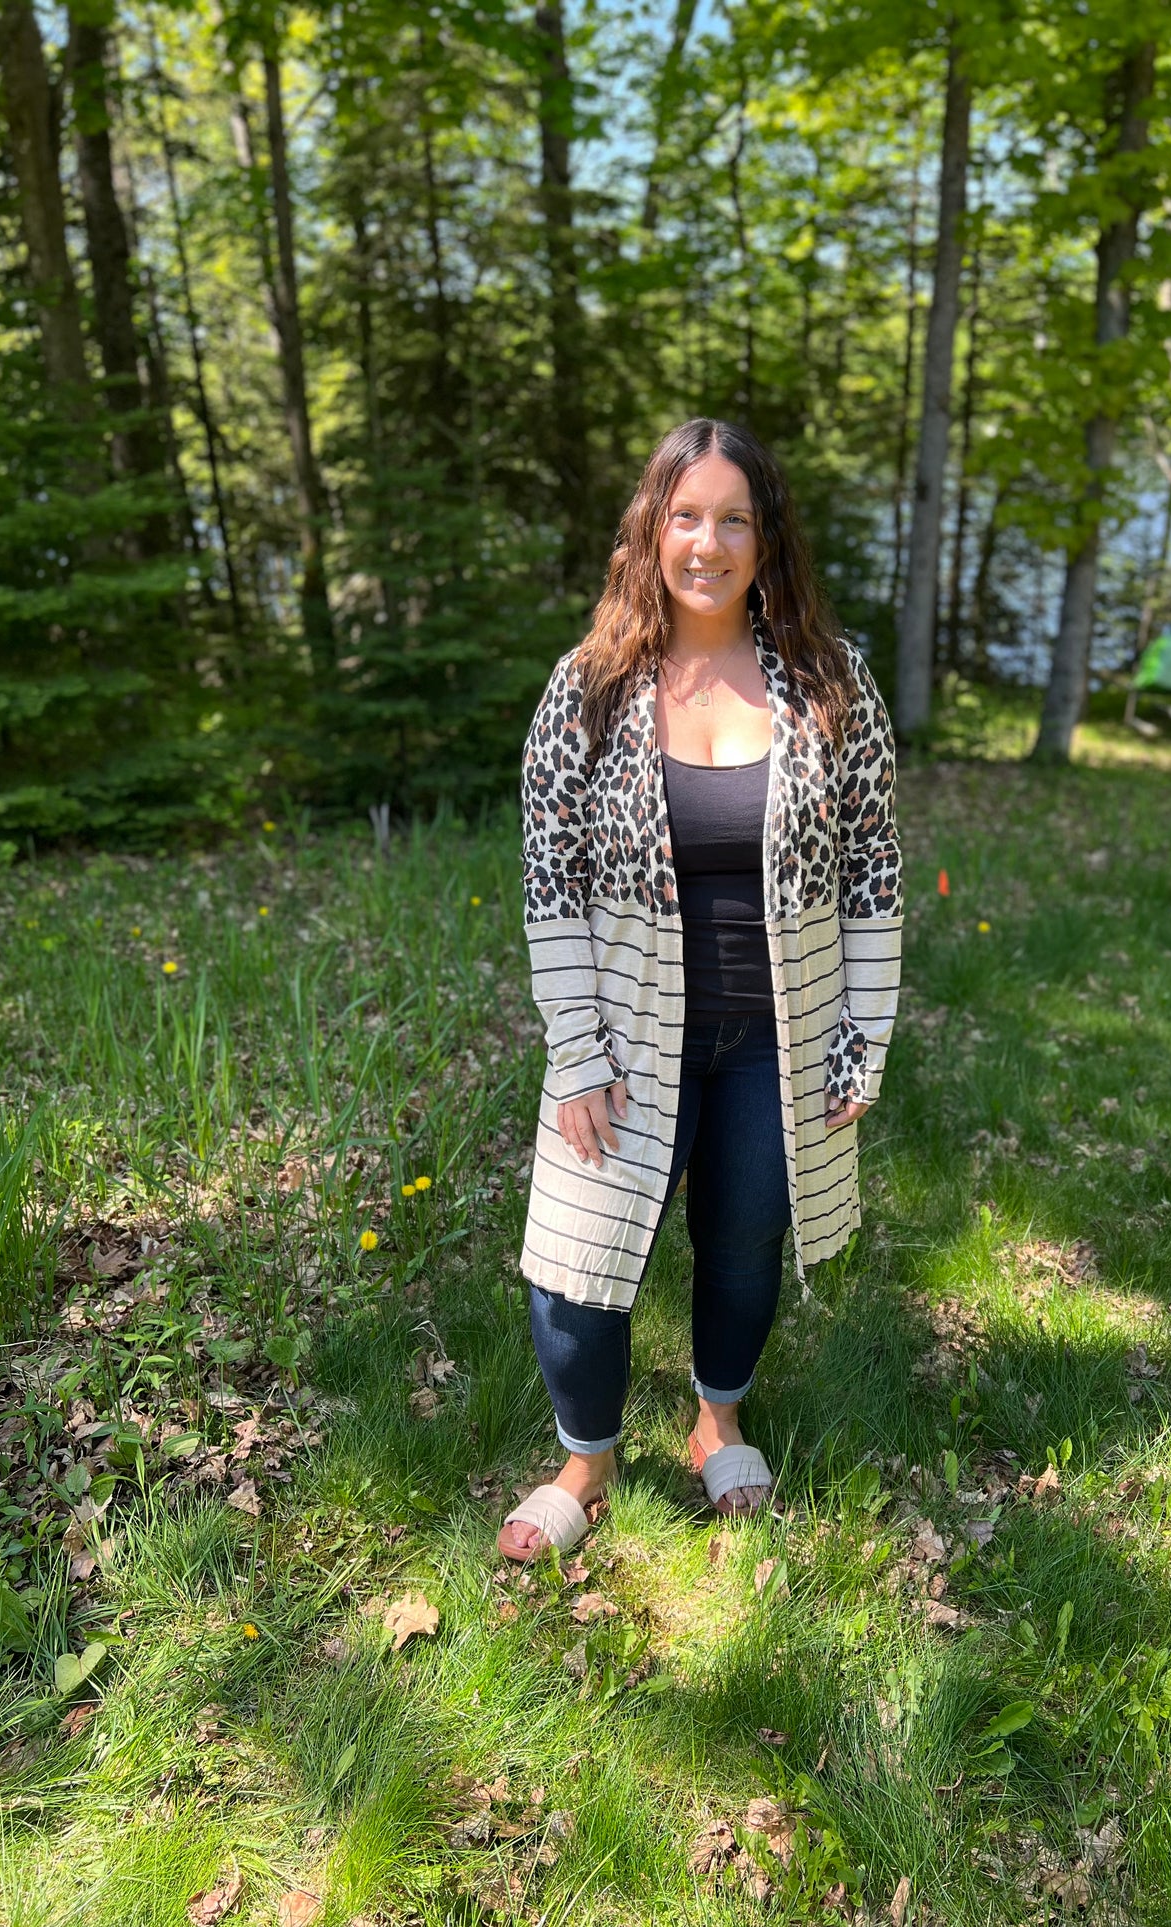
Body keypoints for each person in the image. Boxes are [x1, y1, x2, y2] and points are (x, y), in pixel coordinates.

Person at [499, 418, 903, 1561]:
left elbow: (874, 869)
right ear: (651, 529)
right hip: (627, 1034)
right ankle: (585, 1464)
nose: (708, 542)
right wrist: (574, 1048)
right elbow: (550, 879)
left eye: (734, 518)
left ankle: (714, 1419)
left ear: (765, 538)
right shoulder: (589, 688)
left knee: (743, 1243)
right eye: (686, 515)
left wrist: (858, 1042)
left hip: (775, 1033)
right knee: (577, 1262)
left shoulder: (828, 682)